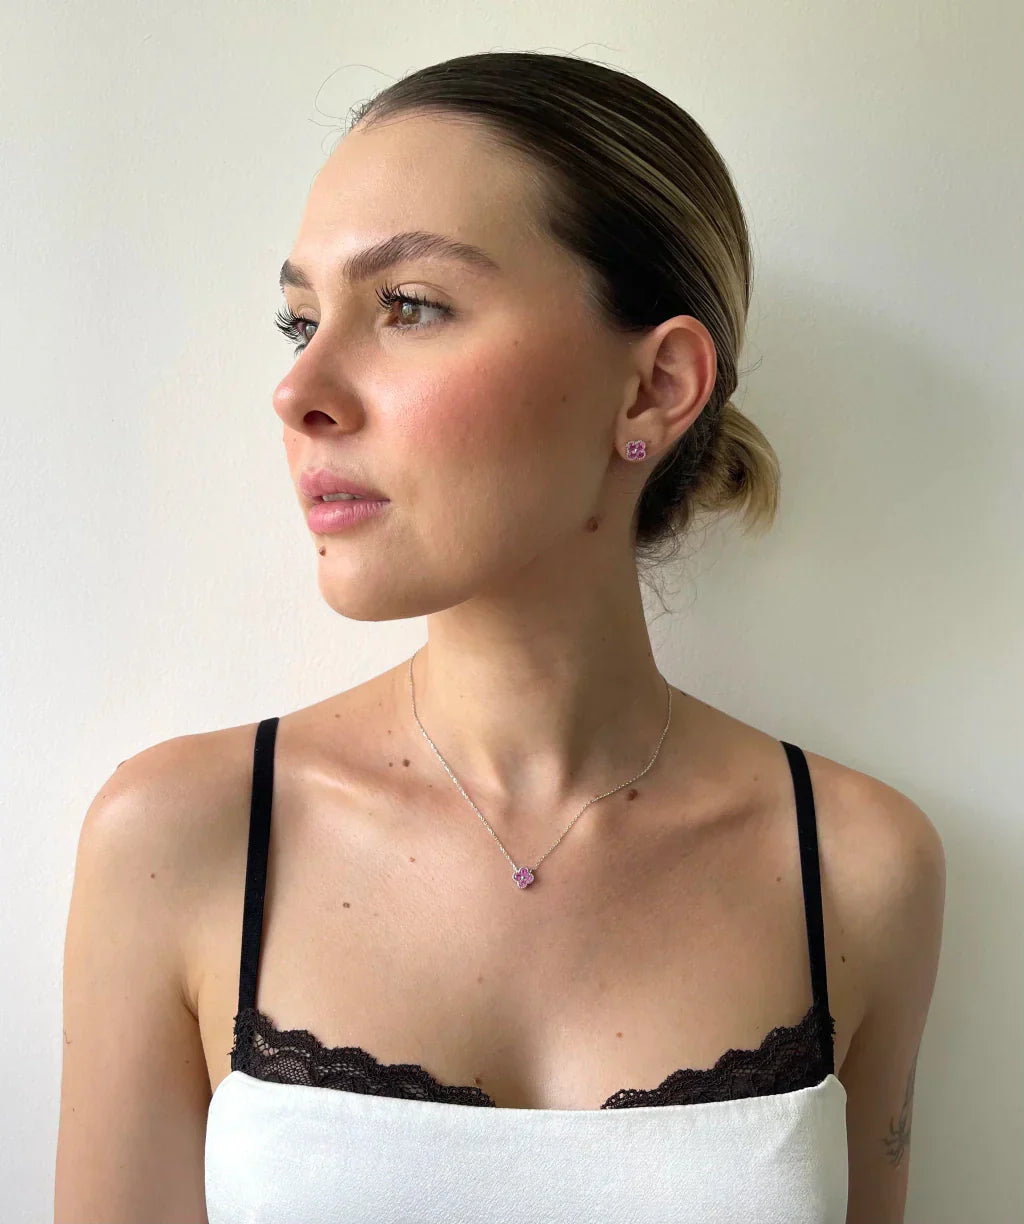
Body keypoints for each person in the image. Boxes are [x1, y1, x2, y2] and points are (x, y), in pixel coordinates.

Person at [54, 49, 946, 1224]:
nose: (299, 390)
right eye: (300, 320)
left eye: (409, 306)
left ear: (653, 389)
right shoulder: (180, 837)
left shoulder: (860, 868)